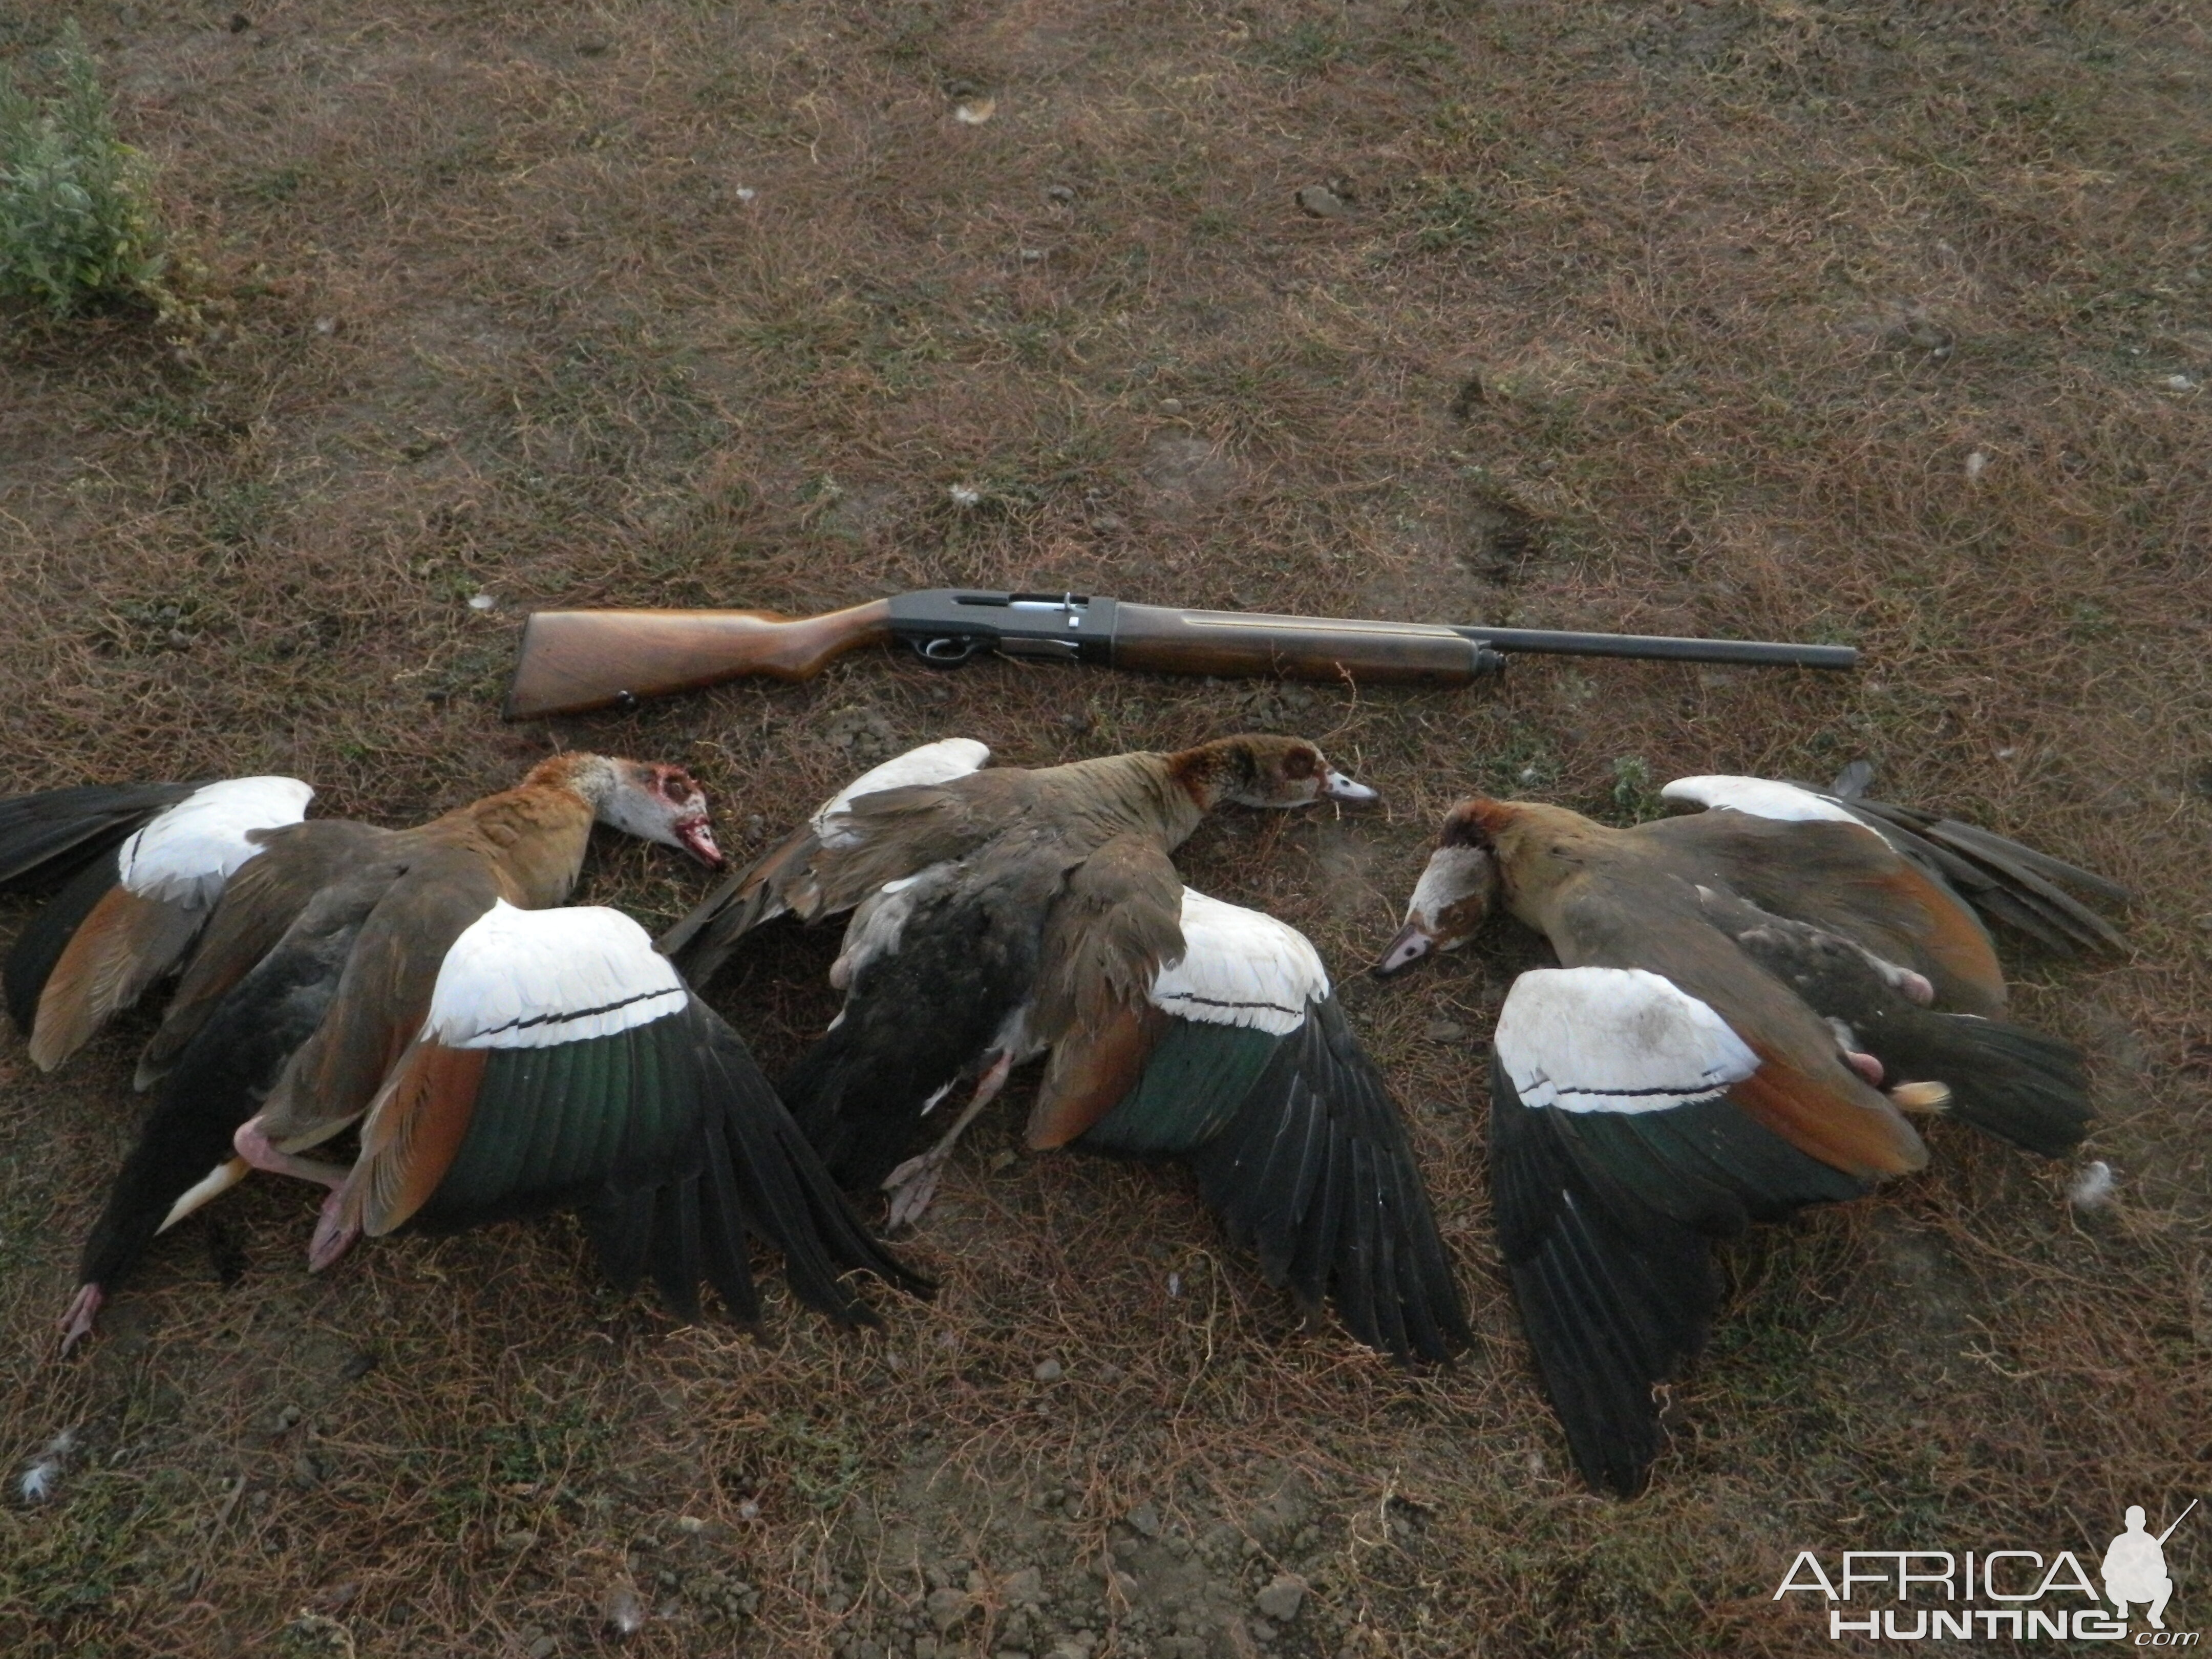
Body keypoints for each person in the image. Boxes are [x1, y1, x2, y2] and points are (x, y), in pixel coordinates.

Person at [2103, 1506, 2174, 1629]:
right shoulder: (2119, 1542)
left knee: (2167, 1584)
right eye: (2133, 1521)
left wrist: (2148, 1567)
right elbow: (2107, 1570)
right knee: (2111, 1583)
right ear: (2127, 1523)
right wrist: (2126, 1569)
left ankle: (2155, 1615)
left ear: (2144, 1523)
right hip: (2125, 1588)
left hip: (2145, 1589)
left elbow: (2163, 1569)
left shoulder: (2150, 1542)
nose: (2136, 1525)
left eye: (2138, 1521)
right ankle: (2122, 1606)